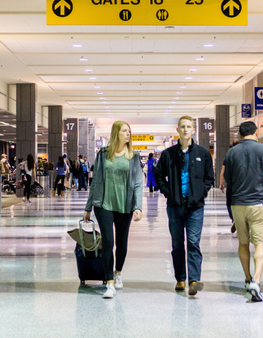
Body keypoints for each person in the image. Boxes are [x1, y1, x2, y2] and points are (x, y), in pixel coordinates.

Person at [223, 121, 263, 302]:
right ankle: (257, 281)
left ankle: (248, 278)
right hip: (258, 204)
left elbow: (228, 180)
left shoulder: (231, 152)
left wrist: (230, 209)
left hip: (238, 205)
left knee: (243, 244)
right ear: (256, 133)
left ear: (240, 135)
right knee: (260, 244)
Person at [155, 116, 214, 296]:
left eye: (189, 126)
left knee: (193, 243)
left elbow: (209, 178)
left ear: (193, 129)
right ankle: (180, 278)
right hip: (175, 206)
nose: (186, 129)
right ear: (178, 130)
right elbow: (158, 176)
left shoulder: (202, 153)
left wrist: (200, 193)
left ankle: (194, 280)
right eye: (183, 127)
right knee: (177, 244)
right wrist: (168, 192)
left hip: (195, 207)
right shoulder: (168, 154)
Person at [83, 121, 143, 299]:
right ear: (116, 133)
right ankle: (109, 283)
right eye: (125, 130)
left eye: (129, 131)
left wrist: (138, 206)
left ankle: (118, 272)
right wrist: (88, 207)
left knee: (122, 243)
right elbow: (95, 182)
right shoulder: (103, 154)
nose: (128, 134)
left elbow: (138, 183)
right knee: (108, 241)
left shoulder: (133, 156)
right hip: (104, 205)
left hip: (125, 205)